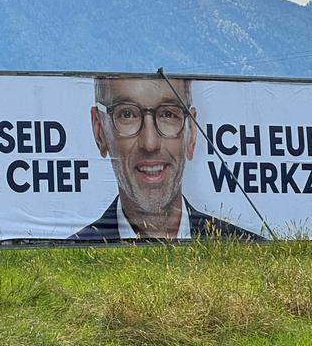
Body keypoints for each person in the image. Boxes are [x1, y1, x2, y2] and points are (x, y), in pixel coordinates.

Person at [71, 75, 261, 241]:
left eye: (168, 114)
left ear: (192, 133)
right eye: (127, 114)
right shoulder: (72, 257)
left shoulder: (247, 251)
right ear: (99, 132)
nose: (150, 143)